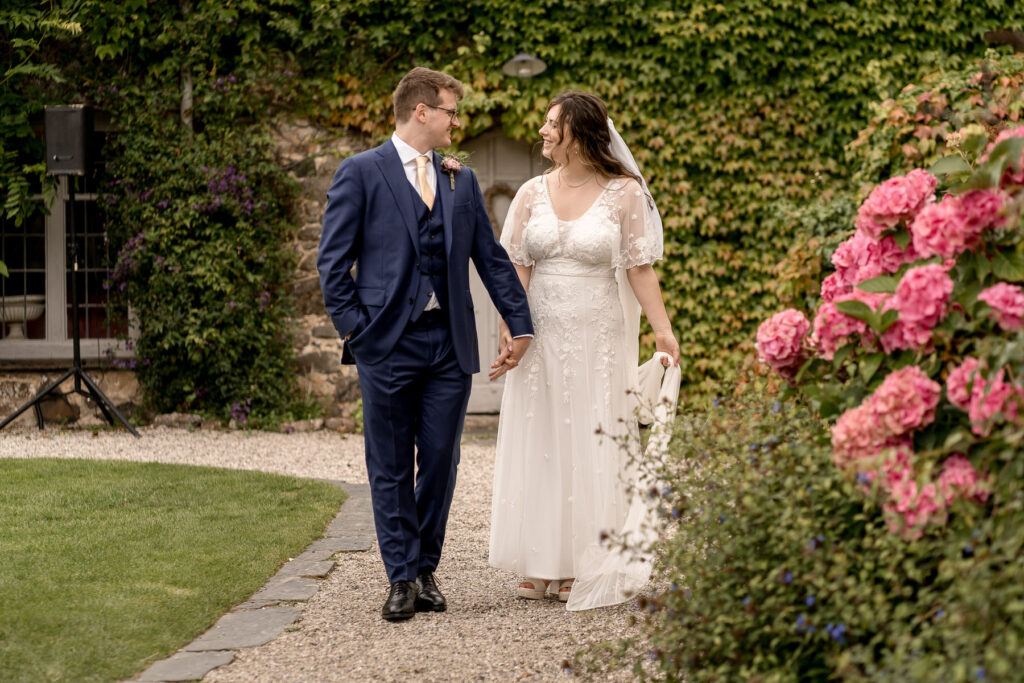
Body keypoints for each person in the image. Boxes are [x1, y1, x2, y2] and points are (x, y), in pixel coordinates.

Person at [318, 67, 534, 622]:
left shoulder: (459, 179)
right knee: (389, 464)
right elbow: (332, 264)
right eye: (451, 112)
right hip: (384, 344)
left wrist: (521, 322)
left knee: (440, 458)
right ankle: (401, 576)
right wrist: (357, 334)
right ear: (421, 112)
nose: (456, 122)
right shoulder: (361, 172)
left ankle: (425, 565)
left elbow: (489, 257)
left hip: (447, 343)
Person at [487, 91, 680, 609]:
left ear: (581, 132)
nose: (544, 132)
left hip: (599, 333)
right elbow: (518, 268)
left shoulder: (625, 194)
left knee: (592, 434)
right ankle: (541, 559)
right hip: (543, 332)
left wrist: (663, 331)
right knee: (544, 431)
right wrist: (511, 326)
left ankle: (586, 559)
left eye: (554, 124)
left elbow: (639, 267)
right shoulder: (530, 192)